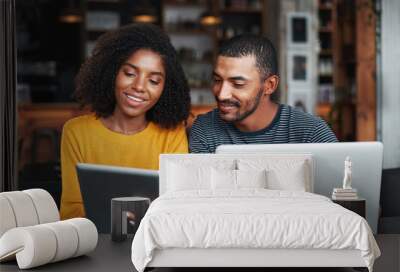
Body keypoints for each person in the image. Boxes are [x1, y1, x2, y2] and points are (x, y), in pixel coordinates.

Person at [60, 24, 191, 219]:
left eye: (153, 81)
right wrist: (128, 215)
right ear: (112, 72)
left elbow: (177, 206)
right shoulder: (77, 132)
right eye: (129, 73)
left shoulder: (172, 134)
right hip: (93, 243)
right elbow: (71, 211)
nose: (139, 86)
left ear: (166, 88)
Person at [189, 35, 337, 153]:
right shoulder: (205, 128)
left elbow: (348, 184)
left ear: (269, 85)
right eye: (217, 80)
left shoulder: (310, 131)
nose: (222, 94)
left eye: (238, 84)